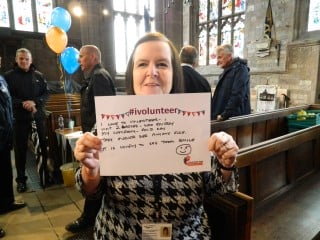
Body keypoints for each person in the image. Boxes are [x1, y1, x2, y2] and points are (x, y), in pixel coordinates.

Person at [73, 32, 239, 239]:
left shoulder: (192, 120)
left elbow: (213, 186)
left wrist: (226, 164)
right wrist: (91, 172)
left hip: (185, 234)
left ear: (174, 73)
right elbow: (90, 191)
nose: (152, 72)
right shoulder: (110, 123)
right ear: (131, 73)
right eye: (142, 64)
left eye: (162, 64)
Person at [65, 45, 116, 233]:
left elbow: (106, 111)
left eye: (82, 56)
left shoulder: (99, 76)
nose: (79, 60)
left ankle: (87, 218)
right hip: (93, 136)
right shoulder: (95, 76)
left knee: (95, 175)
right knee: (94, 176)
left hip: (98, 138)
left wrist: (95, 136)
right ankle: (91, 216)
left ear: (93, 57)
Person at [4, 48, 49, 192]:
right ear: (17, 60)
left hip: (37, 116)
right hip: (19, 118)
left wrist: (35, 102)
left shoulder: (39, 75)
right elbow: (7, 97)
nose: (24, 61)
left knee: (42, 146)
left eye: (27, 59)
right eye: (21, 58)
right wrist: (22, 103)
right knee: (20, 149)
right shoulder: (8, 76)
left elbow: (46, 93)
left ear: (31, 60)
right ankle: (21, 180)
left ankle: (44, 175)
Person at [0, 56, 26, 238]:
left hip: (4, 133)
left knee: (5, 172)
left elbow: (5, 104)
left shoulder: (1, 78)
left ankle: (7, 202)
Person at [211, 43, 251, 121]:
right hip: (225, 117)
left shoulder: (241, 69)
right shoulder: (228, 71)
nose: (217, 62)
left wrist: (224, 115)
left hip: (234, 119)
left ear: (229, 56)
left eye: (220, 57)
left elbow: (237, 95)